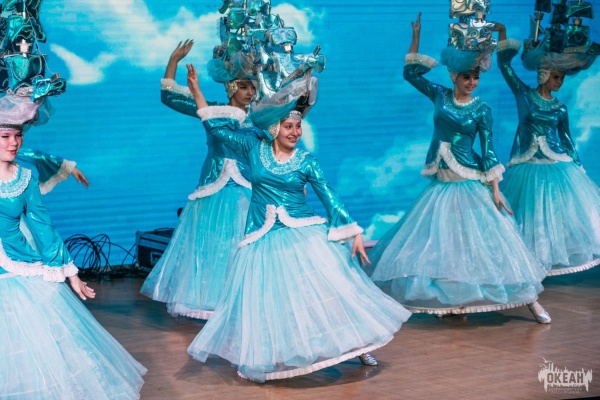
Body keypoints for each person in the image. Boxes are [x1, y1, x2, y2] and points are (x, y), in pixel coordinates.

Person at [185, 64, 411, 383]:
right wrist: (196, 90)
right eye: (288, 126)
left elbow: (330, 197)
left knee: (331, 293)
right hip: (262, 237)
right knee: (273, 301)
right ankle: (277, 354)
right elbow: (217, 130)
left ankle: (358, 346)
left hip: (303, 235)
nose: (294, 132)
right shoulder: (253, 149)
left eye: (298, 126)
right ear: (275, 128)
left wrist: (353, 231)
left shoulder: (306, 161)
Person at [367, 13, 551, 323]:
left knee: (493, 244)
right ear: (453, 74)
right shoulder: (440, 95)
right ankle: (454, 302)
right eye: (466, 76)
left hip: (469, 181)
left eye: (476, 76)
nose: (471, 82)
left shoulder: (481, 109)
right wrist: (416, 37)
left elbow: (488, 151)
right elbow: (411, 74)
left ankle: (531, 301)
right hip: (442, 183)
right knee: (446, 245)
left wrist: (495, 190)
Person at [0, 122, 146, 399]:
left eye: (18, 135)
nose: (14, 142)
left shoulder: (24, 178)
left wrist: (72, 274)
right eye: (5, 136)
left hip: (18, 267)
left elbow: (43, 225)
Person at [141, 40, 263, 319]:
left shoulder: (259, 119)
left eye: (252, 88)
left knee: (245, 245)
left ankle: (245, 300)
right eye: (244, 87)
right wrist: (173, 60)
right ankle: (213, 302)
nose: (249, 93)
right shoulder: (213, 110)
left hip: (247, 188)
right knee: (212, 247)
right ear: (231, 87)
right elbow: (170, 98)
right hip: (214, 188)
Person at [497, 31, 600, 276]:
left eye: (562, 77)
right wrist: (502, 34)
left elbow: (567, 140)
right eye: (556, 76)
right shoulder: (524, 95)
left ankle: (546, 262)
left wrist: (579, 169)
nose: (559, 81)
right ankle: (528, 266)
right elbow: (505, 67)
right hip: (527, 165)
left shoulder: (559, 108)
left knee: (554, 216)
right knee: (527, 215)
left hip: (556, 165)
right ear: (544, 74)